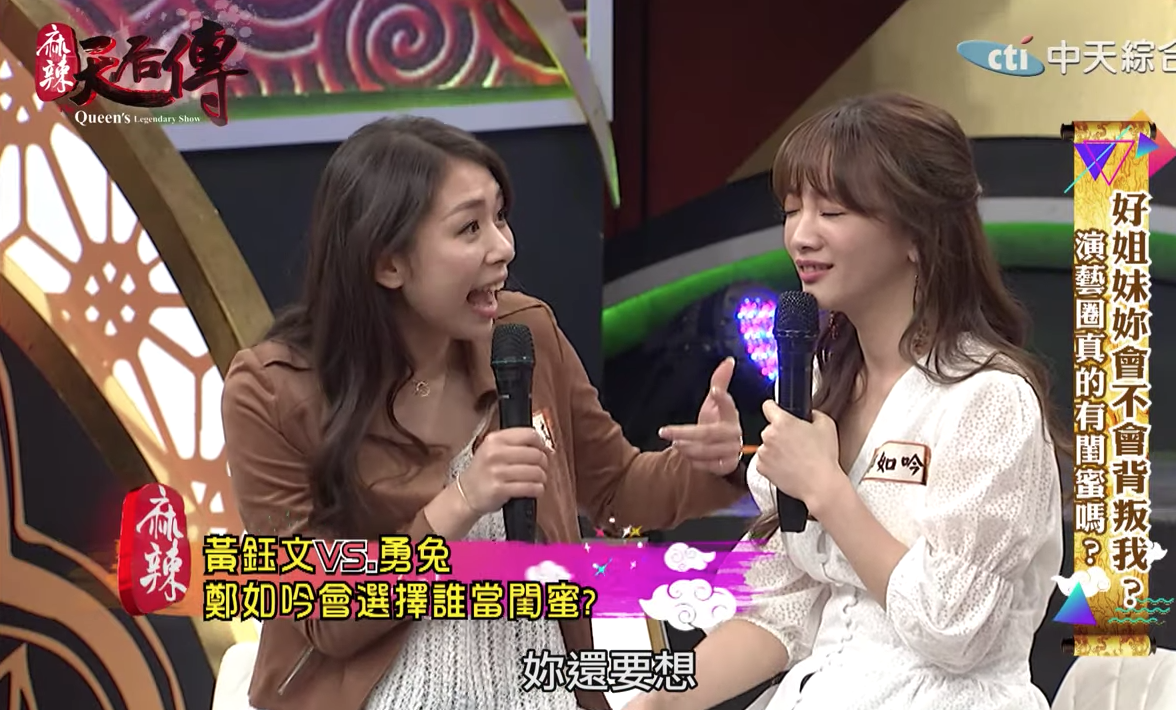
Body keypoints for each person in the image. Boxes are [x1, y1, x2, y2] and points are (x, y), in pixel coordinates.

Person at [221, 116, 750, 710]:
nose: (504, 247)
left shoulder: (524, 335)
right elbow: (326, 616)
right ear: (388, 263)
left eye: (500, 217)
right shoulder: (273, 395)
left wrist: (708, 463)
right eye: (470, 227)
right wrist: (462, 500)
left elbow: (618, 487)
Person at [627, 93, 1068, 710]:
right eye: (792, 210)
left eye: (832, 211)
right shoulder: (819, 385)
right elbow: (778, 606)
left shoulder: (989, 399)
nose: (801, 236)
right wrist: (657, 702)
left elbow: (955, 628)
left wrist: (828, 490)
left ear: (918, 233)